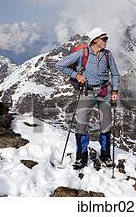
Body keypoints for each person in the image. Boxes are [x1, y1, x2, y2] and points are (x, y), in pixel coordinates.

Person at [55, 27, 120, 169]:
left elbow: (115, 74)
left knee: (106, 124)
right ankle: (81, 157)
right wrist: (76, 75)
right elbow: (59, 65)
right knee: (81, 125)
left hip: (104, 92)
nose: (106, 41)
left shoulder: (108, 55)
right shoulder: (81, 54)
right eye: (104, 39)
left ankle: (105, 155)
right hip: (87, 93)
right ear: (95, 39)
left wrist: (115, 90)